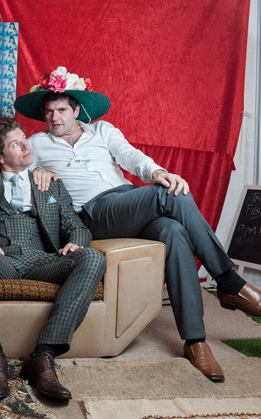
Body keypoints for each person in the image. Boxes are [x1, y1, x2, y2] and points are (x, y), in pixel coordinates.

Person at [14, 66, 261, 382]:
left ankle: (195, 341)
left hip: (126, 201)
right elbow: (16, 180)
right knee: (172, 195)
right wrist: (34, 174)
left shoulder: (103, 131)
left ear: (76, 109)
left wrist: (157, 172)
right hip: (91, 214)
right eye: (48, 112)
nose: (54, 118)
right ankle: (228, 281)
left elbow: (132, 157)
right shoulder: (35, 144)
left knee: (174, 230)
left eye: (61, 109)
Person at [0, 120, 106, 400]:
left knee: (93, 258)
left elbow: (77, 226)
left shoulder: (49, 184)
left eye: (24, 138)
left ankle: (43, 355)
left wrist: (76, 242)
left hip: (43, 262)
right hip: (2, 263)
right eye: (16, 143)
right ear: (0, 157)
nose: (27, 145)